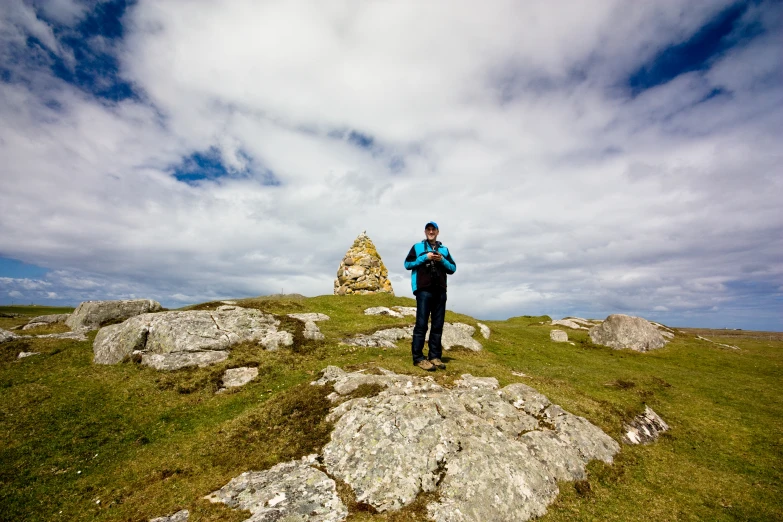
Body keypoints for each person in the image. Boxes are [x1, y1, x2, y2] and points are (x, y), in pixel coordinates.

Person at [404, 221, 457, 371]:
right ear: (425, 232)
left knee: (437, 325)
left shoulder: (444, 250)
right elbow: (407, 264)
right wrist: (425, 257)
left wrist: (442, 260)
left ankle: (435, 356)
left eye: (433, 229)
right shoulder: (417, 247)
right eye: (428, 229)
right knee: (421, 324)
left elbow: (453, 268)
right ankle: (418, 358)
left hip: (440, 290)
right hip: (423, 289)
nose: (431, 231)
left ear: (438, 232)